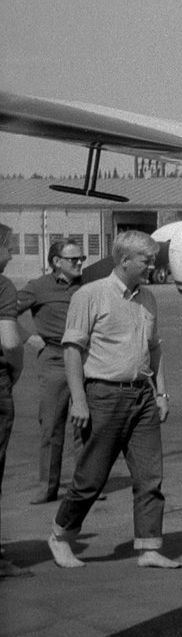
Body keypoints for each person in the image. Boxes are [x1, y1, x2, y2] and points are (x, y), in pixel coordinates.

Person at [47, 230, 178, 570]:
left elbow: (154, 348)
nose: (152, 267)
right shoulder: (90, 295)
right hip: (102, 396)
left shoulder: (148, 298)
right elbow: (72, 349)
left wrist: (161, 394)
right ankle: (60, 536)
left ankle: (149, 548)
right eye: (146, 261)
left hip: (142, 398)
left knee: (150, 478)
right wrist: (78, 399)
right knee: (90, 479)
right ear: (124, 261)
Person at [18, 239, 86, 504]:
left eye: (82, 258)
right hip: (55, 359)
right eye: (74, 259)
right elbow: (4, 313)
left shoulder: (88, 285)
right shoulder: (38, 288)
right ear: (57, 262)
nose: (80, 262)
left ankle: (83, 487)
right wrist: (28, 337)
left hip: (86, 359)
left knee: (85, 425)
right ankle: (48, 487)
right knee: (52, 425)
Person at [0, 224, 34, 578]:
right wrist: (14, 372)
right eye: (7, 248)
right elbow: (9, 341)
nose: (10, 256)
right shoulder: (3, 285)